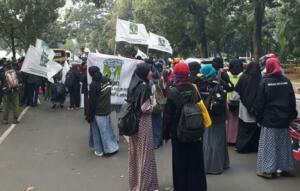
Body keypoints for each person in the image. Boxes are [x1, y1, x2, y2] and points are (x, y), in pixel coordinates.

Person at [163, 63, 207, 191]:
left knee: (180, 162)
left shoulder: (172, 91)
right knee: (195, 160)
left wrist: (165, 134)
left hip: (179, 133)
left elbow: (167, 117)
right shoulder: (193, 88)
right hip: (195, 129)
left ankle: (182, 187)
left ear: (176, 74)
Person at [255, 57, 298, 178]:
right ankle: (284, 168)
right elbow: (292, 101)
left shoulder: (264, 82)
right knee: (283, 144)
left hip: (270, 119)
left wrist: (259, 118)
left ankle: (268, 170)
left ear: (268, 67)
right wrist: (292, 116)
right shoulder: (286, 81)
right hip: (284, 119)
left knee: (269, 145)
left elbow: (260, 103)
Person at [127, 62, 159, 191]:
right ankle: (145, 185)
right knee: (145, 154)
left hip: (133, 124)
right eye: (149, 71)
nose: (151, 73)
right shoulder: (144, 87)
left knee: (135, 154)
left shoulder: (133, 85)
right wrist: (155, 104)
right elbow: (145, 108)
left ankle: (135, 184)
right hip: (143, 123)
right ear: (144, 73)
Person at [200, 64, 230, 174]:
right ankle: (223, 163)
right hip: (220, 115)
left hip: (209, 116)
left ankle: (211, 166)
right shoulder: (220, 81)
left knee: (210, 140)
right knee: (220, 139)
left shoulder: (203, 84)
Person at [86, 66, 119, 156]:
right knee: (107, 130)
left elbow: (92, 101)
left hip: (97, 111)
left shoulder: (94, 84)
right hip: (106, 109)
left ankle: (100, 150)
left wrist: (89, 115)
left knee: (97, 131)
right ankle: (112, 147)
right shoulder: (107, 80)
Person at [235, 62, 261, 153]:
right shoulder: (261, 79)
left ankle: (242, 147)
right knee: (255, 128)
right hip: (256, 108)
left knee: (244, 128)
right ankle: (254, 147)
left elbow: (236, 93)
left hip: (244, 107)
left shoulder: (243, 77)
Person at [226, 59, 244, 144]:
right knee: (237, 121)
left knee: (230, 120)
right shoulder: (243, 76)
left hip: (227, 101)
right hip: (239, 101)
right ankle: (236, 138)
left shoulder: (226, 75)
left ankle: (229, 138)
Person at [151, 62, 166, 149]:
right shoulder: (161, 80)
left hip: (155, 105)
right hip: (161, 104)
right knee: (158, 123)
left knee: (155, 123)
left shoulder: (153, 85)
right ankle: (159, 140)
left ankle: (156, 142)